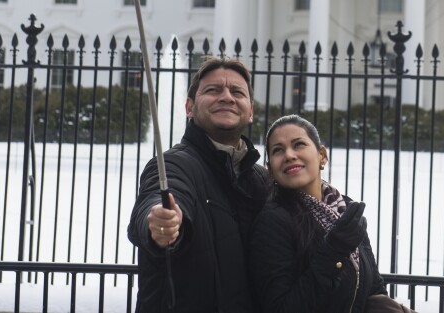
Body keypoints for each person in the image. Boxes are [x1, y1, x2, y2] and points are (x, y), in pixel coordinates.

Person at [128, 57, 269, 313]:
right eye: (213, 90)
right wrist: (162, 224)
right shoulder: (174, 164)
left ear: (250, 112)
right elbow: (160, 196)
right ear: (189, 107)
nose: (226, 97)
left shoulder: (262, 180)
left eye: (237, 91)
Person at [249, 114, 414, 313]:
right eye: (278, 150)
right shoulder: (272, 221)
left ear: (322, 156)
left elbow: (372, 288)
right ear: (271, 170)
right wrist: (333, 250)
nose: (289, 155)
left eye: (299, 144)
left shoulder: (345, 209)